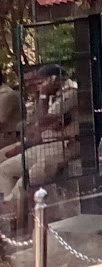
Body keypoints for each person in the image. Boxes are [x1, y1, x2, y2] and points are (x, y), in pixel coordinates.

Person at [0, 66, 81, 212]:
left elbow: (43, 121)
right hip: (44, 144)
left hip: (64, 146)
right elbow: (38, 124)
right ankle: (10, 210)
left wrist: (43, 95)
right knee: (4, 169)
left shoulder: (71, 93)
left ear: (53, 79)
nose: (37, 86)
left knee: (24, 182)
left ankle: (9, 213)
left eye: (40, 82)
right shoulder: (51, 96)